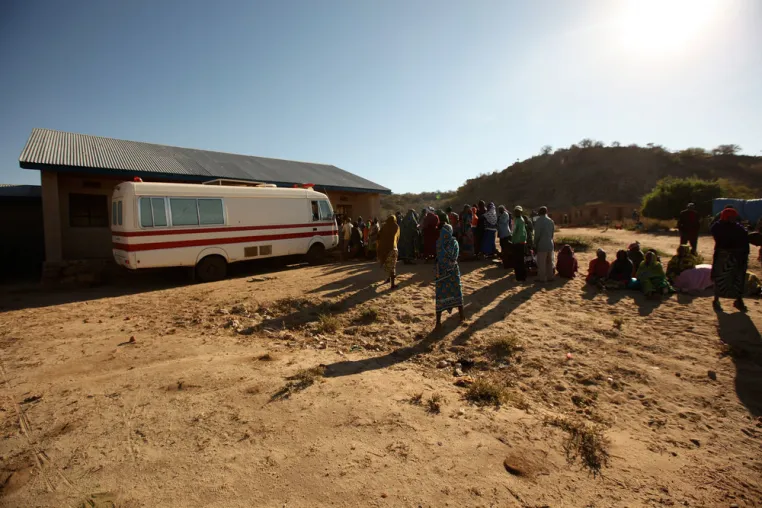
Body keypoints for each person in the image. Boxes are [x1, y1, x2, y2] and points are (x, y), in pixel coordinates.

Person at [710, 207, 750, 312]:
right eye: (731, 217)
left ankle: (738, 300)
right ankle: (716, 300)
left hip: (737, 257)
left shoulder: (736, 227)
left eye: (734, 217)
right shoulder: (719, 227)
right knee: (721, 278)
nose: (733, 219)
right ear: (726, 217)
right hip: (724, 256)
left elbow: (744, 238)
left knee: (738, 279)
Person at [435, 224, 464, 328]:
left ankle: (438, 322)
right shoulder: (454, 242)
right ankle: (462, 317)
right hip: (453, 272)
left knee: (440, 295)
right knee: (457, 292)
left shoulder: (439, 243)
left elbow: (439, 257)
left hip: (441, 272)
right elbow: (454, 256)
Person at [377, 215, 400, 289]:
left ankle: (388, 279)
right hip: (393, 248)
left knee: (387, 264)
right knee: (393, 265)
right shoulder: (396, 226)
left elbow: (378, 236)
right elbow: (397, 238)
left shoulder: (384, 226)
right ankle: (392, 284)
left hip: (384, 249)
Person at [533, 206, 555, 282]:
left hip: (542, 245)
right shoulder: (551, 221)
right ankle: (550, 277)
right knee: (549, 262)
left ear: (539, 212)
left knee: (541, 263)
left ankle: (542, 278)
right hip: (550, 244)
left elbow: (537, 235)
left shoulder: (538, 221)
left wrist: (535, 244)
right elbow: (552, 234)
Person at [512, 206, 528, 282]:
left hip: (517, 242)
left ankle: (519, 278)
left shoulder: (517, 220)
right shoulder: (522, 220)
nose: (516, 213)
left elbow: (514, 231)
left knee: (517, 261)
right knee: (521, 260)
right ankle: (522, 277)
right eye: (516, 211)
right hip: (522, 242)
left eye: (517, 211)